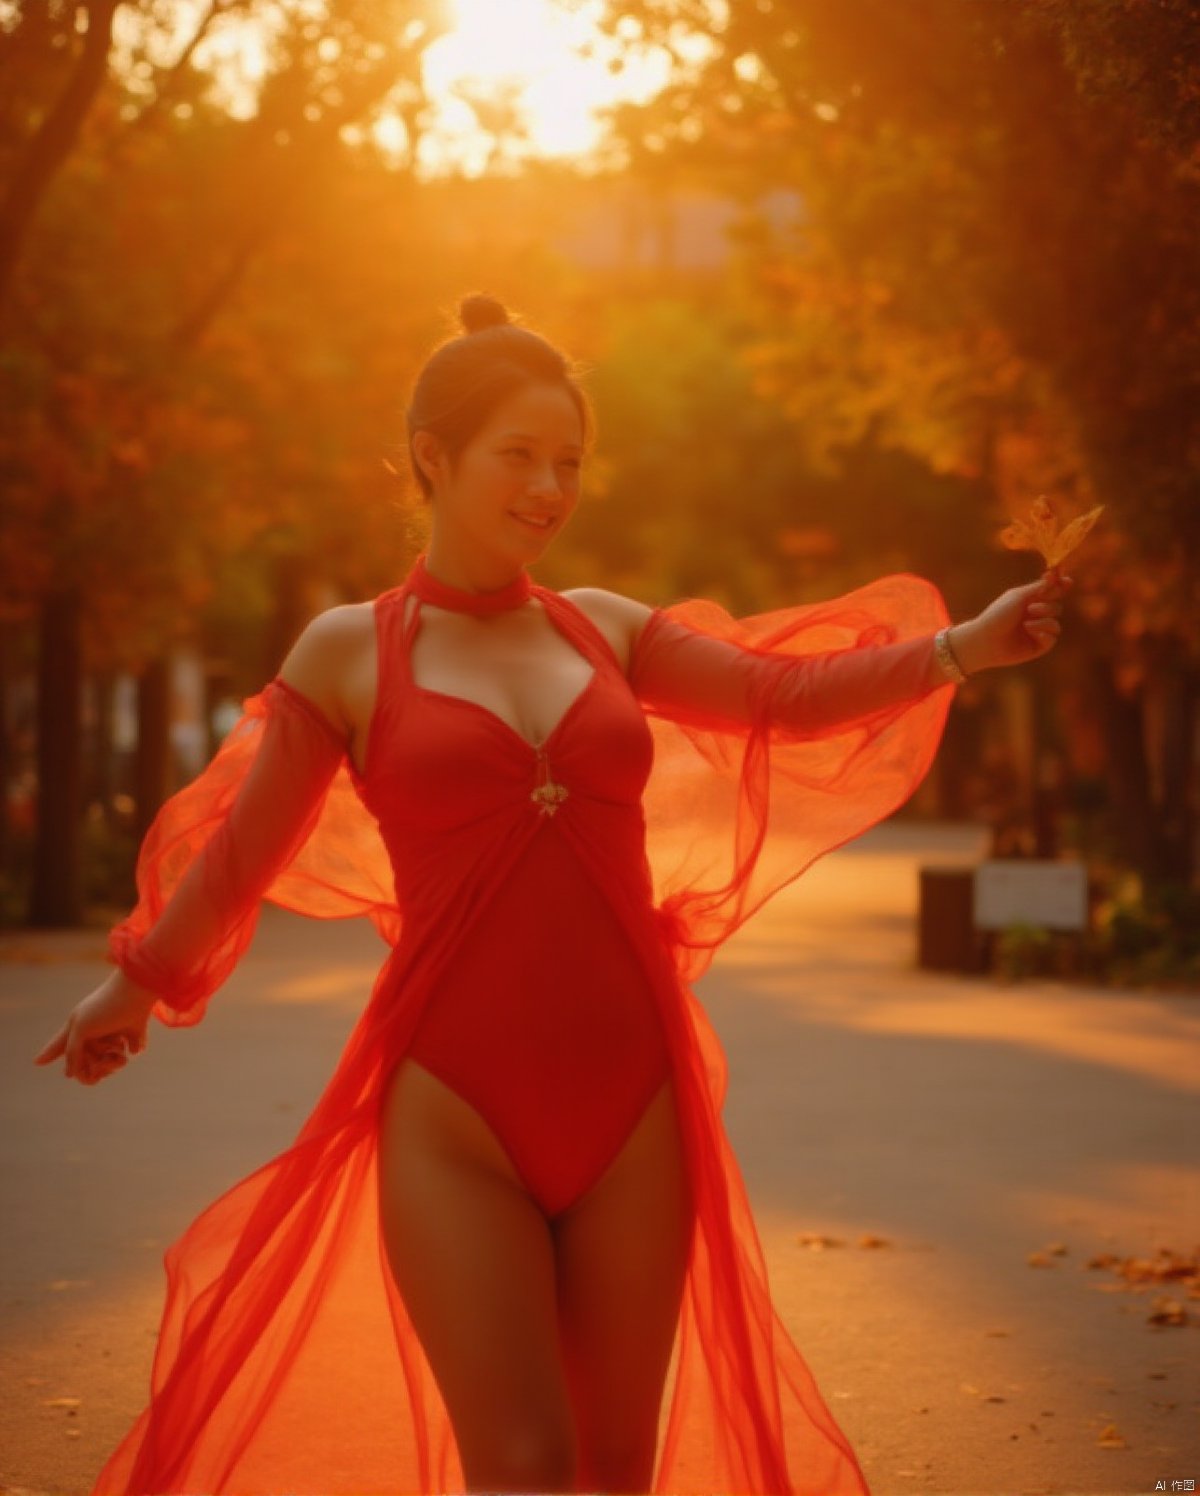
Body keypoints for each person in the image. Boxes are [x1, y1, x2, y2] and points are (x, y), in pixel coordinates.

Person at [34, 292, 1071, 1496]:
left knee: (615, 1469)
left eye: (569, 462)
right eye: (518, 456)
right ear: (435, 456)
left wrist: (966, 649)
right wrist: (136, 983)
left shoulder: (609, 633)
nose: (549, 487)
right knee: (524, 1463)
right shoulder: (346, 649)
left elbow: (784, 699)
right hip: (451, 1106)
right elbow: (242, 857)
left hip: (635, 1100)